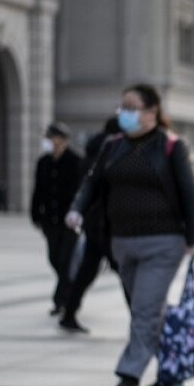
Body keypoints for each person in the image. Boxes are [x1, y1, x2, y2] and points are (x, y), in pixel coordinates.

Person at [67, 84, 194, 386]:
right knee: (144, 310)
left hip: (163, 243)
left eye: (131, 108)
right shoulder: (112, 146)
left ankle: (129, 376)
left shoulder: (172, 146)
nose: (123, 113)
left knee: (144, 309)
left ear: (151, 113)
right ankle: (172, 374)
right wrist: (77, 209)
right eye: (122, 107)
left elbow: (189, 193)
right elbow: (93, 182)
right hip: (121, 243)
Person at [60, 117, 120, 332]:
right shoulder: (113, 153)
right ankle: (144, 325)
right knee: (125, 272)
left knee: (87, 269)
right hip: (107, 224)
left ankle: (69, 312)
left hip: (93, 223)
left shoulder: (90, 154)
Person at [31, 122, 83, 318]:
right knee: (54, 258)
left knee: (65, 258)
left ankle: (61, 300)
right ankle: (69, 291)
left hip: (70, 220)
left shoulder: (75, 161)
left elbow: (81, 191)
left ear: (62, 139)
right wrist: (35, 213)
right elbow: (38, 191)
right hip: (50, 220)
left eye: (52, 137)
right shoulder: (43, 162)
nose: (50, 141)